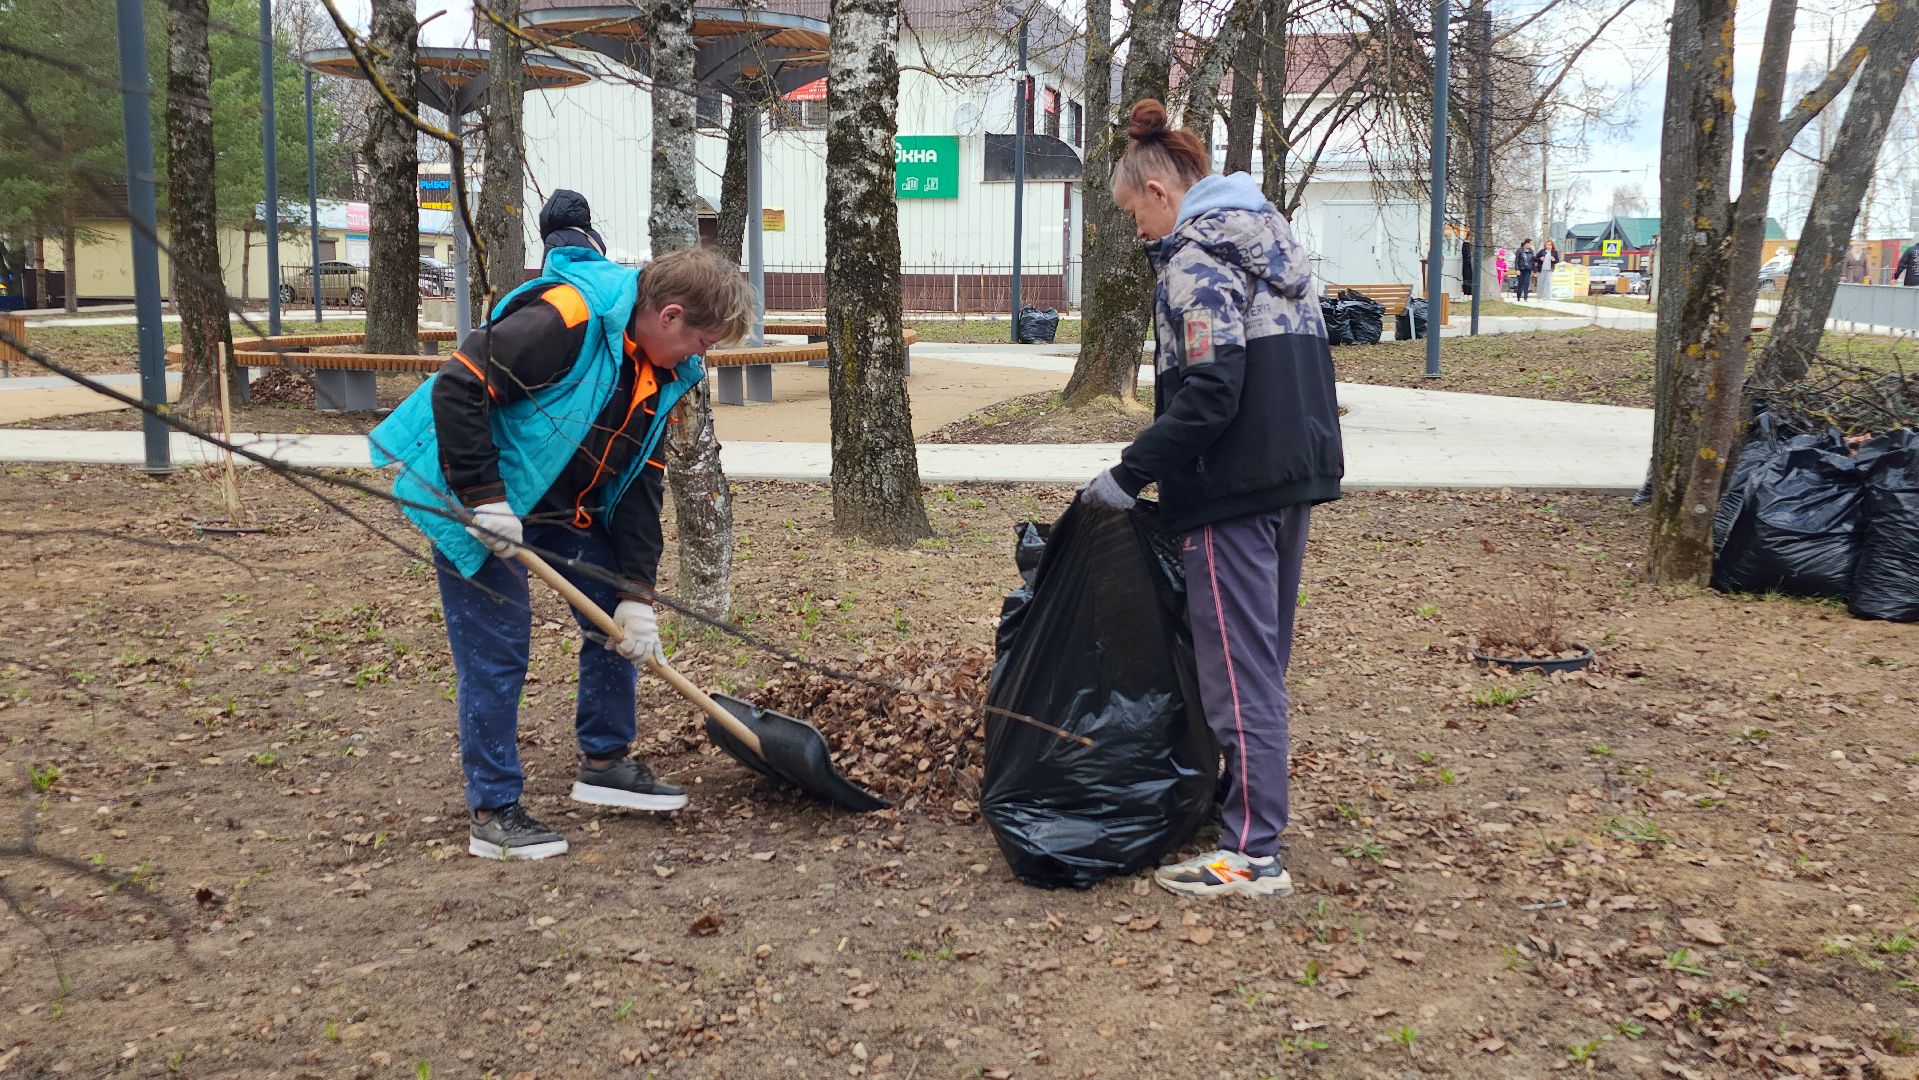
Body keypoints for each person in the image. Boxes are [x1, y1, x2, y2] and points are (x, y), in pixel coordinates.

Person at [369, 204, 754, 862]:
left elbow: (638, 480)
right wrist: (485, 500)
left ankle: (604, 765)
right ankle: (492, 810)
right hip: (469, 491)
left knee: (612, 620)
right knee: (499, 648)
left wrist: (636, 592)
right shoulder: (569, 318)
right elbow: (459, 385)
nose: (701, 357)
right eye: (703, 341)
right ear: (670, 317)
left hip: (556, 505)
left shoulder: (660, 372)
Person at [1080, 99, 1343, 900]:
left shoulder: (1197, 259)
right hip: (1288, 478)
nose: (1137, 233)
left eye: (1133, 214)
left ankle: (1251, 852)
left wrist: (1129, 473)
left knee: (1237, 671)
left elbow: (1209, 392)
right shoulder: (1273, 248)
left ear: (1160, 191)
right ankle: (1247, 811)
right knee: (1258, 664)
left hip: (1230, 490)